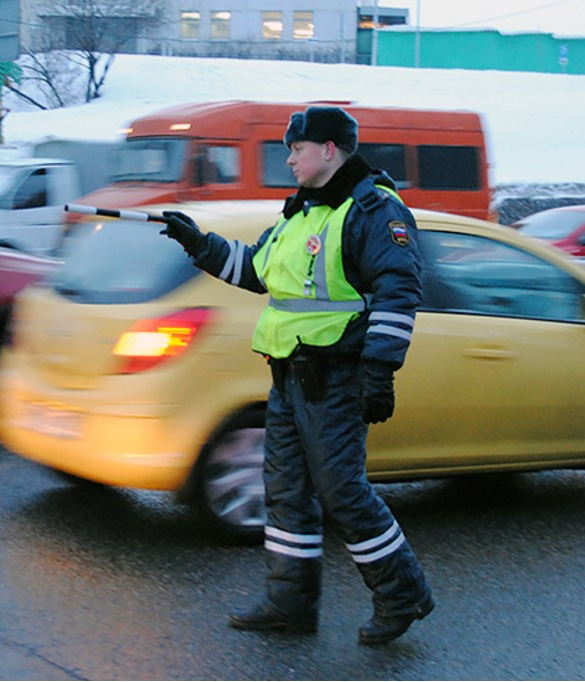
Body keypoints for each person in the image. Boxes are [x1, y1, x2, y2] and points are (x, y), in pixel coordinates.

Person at [158, 106, 433, 645]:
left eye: (297, 150)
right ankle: (290, 604)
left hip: (337, 379)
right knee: (284, 494)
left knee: (342, 494)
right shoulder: (300, 214)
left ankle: (402, 594)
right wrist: (199, 244)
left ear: (328, 150)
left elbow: (399, 289)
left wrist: (379, 372)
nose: (289, 159)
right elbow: (257, 271)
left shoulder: (374, 210)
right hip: (287, 378)